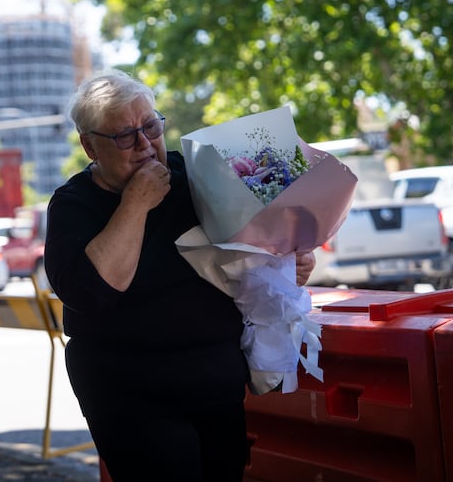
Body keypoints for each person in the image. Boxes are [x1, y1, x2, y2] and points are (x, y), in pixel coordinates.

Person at [44, 70, 316, 482]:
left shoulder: (198, 171)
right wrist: (134, 204)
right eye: (124, 136)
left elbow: (268, 247)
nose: (144, 144)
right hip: (129, 391)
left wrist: (291, 262)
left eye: (151, 126)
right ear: (89, 146)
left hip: (215, 378)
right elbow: (92, 291)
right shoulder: (72, 204)